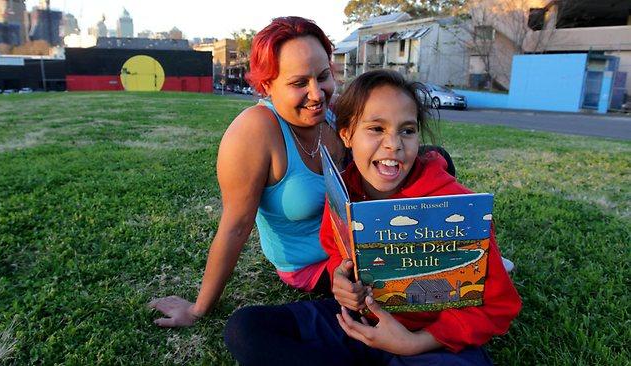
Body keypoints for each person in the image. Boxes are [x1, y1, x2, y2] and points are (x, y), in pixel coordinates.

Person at [223, 70, 522, 365]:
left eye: (407, 130)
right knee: (245, 329)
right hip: (359, 323)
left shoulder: (457, 205)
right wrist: (340, 281)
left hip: (432, 340)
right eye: (376, 129)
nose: (394, 143)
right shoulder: (341, 192)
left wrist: (415, 343)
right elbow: (334, 254)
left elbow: (499, 306)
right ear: (347, 134)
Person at [148, 16, 347, 327]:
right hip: (315, 265)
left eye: (323, 76)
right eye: (298, 83)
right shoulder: (254, 131)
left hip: (355, 243)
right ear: (267, 84)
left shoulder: (334, 116)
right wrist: (199, 309)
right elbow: (235, 227)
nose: (317, 93)